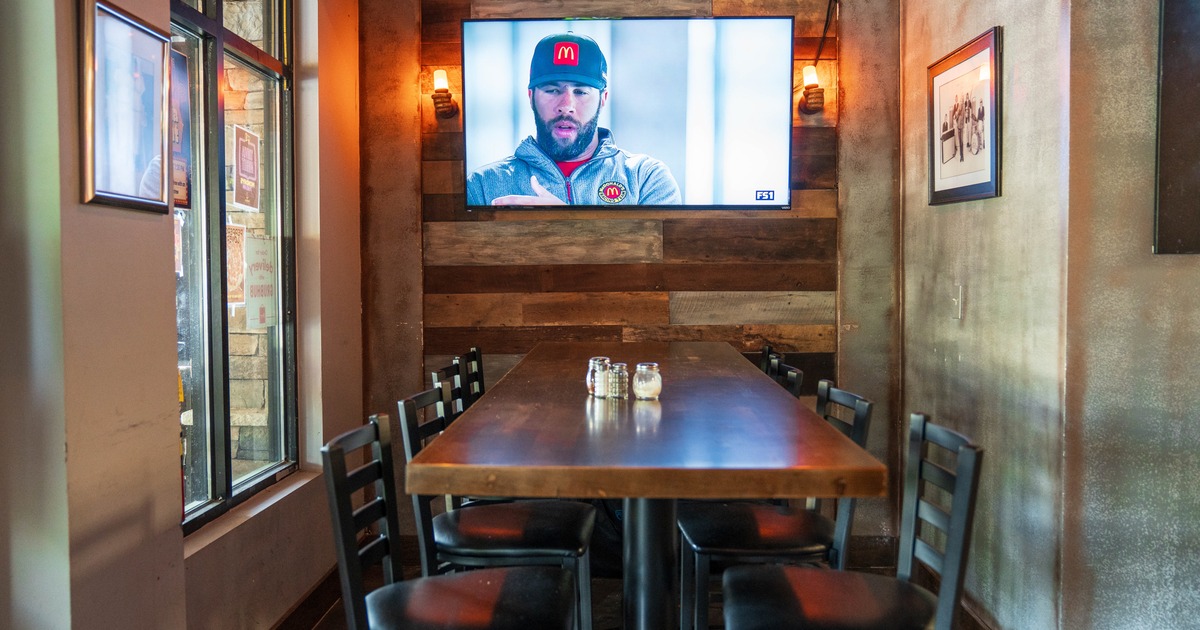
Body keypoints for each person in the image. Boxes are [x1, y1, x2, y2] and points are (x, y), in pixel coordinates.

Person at [466, 32, 681, 207]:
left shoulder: (645, 177)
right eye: (552, 90)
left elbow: (662, 247)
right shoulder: (482, 186)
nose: (566, 105)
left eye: (580, 92)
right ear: (531, 97)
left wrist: (566, 223)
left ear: (602, 99)